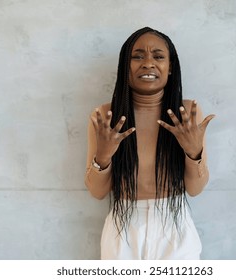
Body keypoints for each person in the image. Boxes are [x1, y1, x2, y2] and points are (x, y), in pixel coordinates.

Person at [84, 27, 215, 260]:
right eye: (137, 56)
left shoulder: (187, 113)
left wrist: (194, 152)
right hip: (122, 228)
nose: (148, 63)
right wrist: (103, 157)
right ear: (125, 66)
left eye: (158, 56)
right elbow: (97, 192)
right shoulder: (105, 115)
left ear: (170, 66)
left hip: (175, 224)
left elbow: (195, 190)